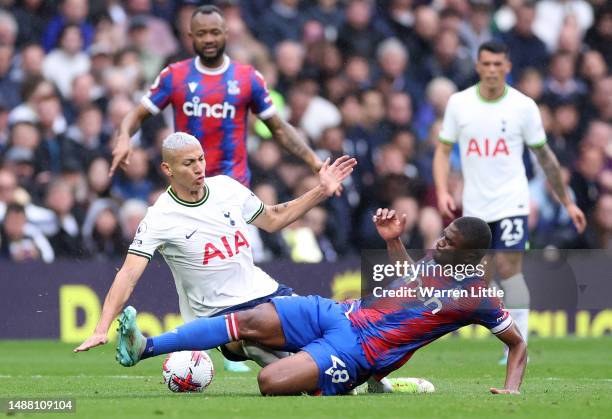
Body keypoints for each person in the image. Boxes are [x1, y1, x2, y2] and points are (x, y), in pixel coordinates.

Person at [103, 209, 527, 396]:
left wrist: (511, 391)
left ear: (470, 254)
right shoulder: (435, 262)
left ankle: (350, 384)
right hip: (338, 313)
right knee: (245, 319)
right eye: (443, 234)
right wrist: (394, 240)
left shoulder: (479, 296)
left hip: (358, 351)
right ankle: (146, 347)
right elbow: (412, 280)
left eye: (449, 242)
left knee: (269, 384)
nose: (438, 243)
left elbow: (517, 344)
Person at [74, 132, 355, 371]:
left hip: (267, 293)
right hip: (220, 317)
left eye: (201, 159)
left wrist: (321, 190)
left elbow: (274, 219)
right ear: (167, 169)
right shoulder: (160, 217)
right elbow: (128, 274)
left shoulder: (226, 188)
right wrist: (102, 328)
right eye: (188, 163)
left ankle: (370, 378)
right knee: (273, 354)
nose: (199, 168)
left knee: (333, 332)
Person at [433, 41, 586, 363]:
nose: (491, 70)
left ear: (507, 67)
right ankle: (452, 331)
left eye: (497, 64)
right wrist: (443, 190)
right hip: (475, 206)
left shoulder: (523, 106)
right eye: (486, 64)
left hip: (512, 202)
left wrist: (567, 201)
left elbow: (544, 156)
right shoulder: (459, 104)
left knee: (509, 269)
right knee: (478, 277)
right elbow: (443, 151)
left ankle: (518, 345)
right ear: (477, 66)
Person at [108, 5, 322, 187]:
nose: (209, 39)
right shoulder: (174, 75)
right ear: (191, 36)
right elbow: (137, 115)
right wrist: (124, 137)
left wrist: (314, 161)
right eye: (201, 34)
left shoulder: (247, 77)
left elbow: (279, 128)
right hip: (188, 188)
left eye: (214, 32)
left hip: (232, 189)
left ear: (225, 33)